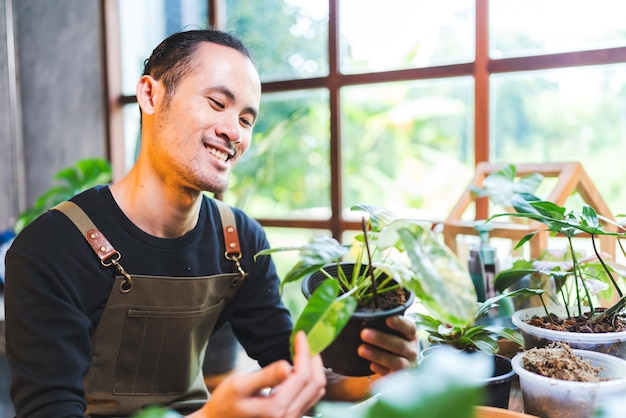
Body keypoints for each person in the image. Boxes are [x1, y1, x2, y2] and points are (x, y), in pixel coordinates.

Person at [4, 28, 418, 418]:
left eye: (246, 120)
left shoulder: (239, 239)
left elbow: (295, 370)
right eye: (218, 104)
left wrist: (383, 371)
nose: (232, 131)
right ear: (150, 95)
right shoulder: (50, 248)